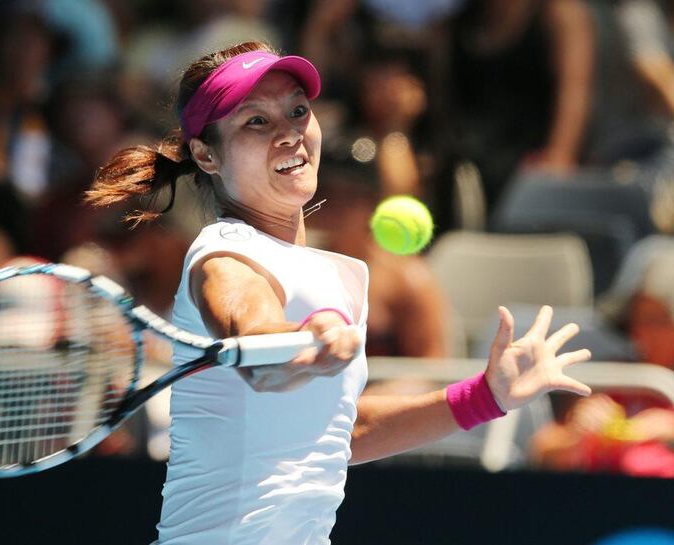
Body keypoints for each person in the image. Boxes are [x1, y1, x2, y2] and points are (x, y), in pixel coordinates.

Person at [86, 41, 593, 545]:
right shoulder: (223, 254)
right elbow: (252, 333)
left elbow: (340, 435)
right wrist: (295, 342)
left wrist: (485, 396)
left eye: (298, 110)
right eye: (255, 121)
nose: (289, 132)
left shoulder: (335, 274)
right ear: (206, 154)